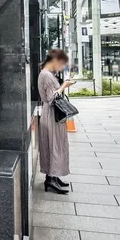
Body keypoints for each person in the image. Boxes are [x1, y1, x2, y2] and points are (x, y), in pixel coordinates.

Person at [38, 49, 77, 195]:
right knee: (53, 145)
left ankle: (52, 176)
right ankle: (51, 179)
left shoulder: (47, 74)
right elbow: (51, 98)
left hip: (52, 114)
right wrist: (64, 86)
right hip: (50, 114)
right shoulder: (46, 75)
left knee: (55, 145)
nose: (61, 67)